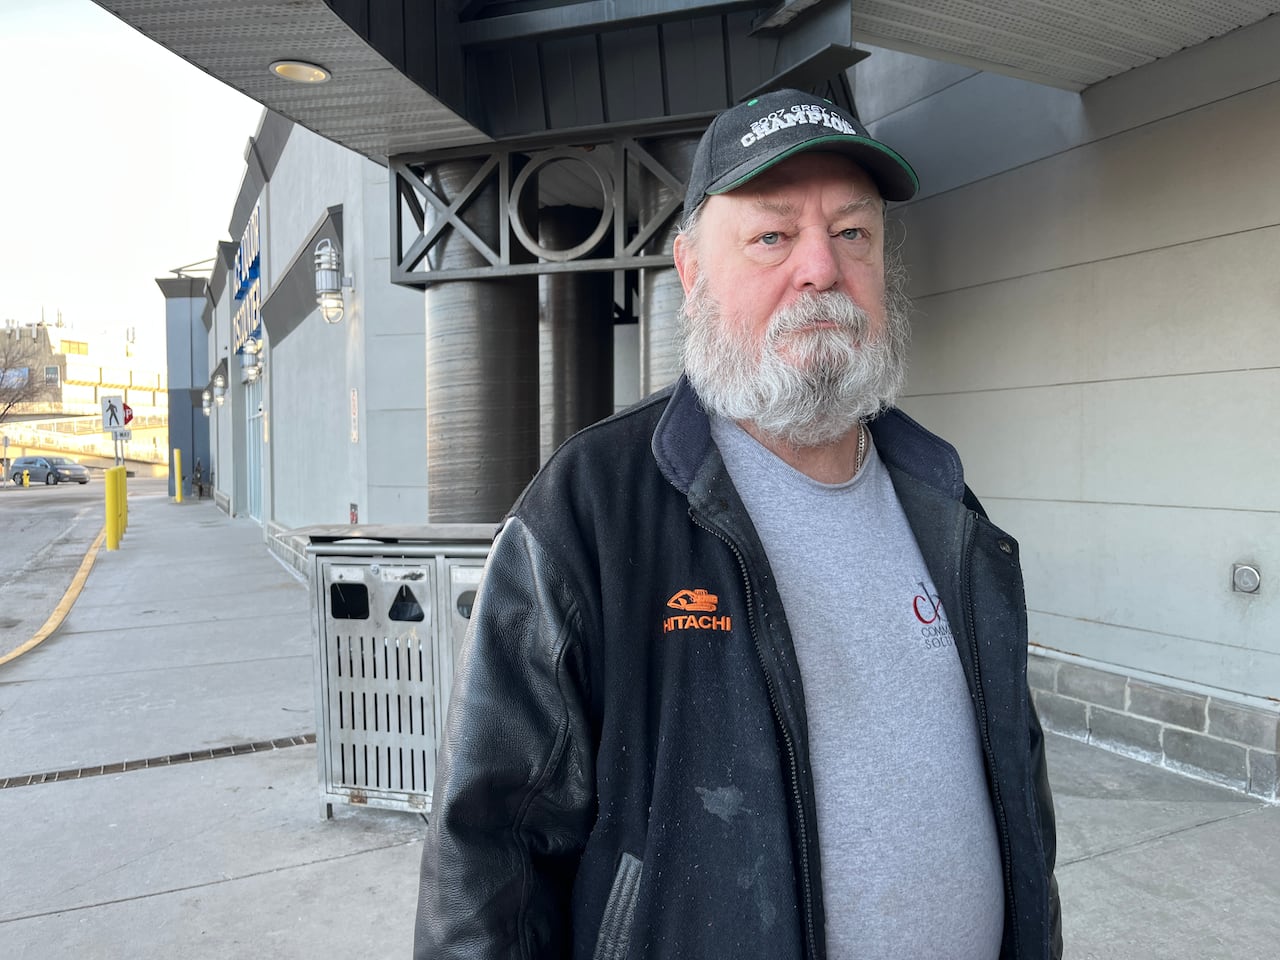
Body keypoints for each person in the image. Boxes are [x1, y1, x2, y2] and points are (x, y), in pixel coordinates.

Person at [414, 88, 1061, 960]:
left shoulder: (947, 504)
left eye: (853, 233)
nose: (822, 269)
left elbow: (1023, 809)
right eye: (772, 235)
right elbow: (488, 858)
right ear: (690, 270)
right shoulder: (594, 509)